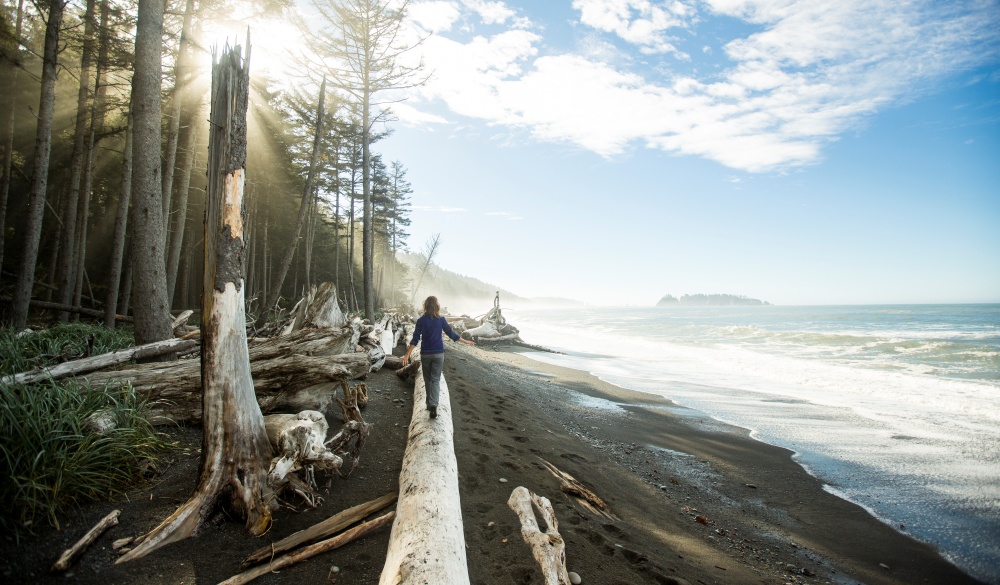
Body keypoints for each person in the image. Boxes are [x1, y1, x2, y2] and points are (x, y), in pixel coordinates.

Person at [402, 296, 476, 418]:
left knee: (427, 379)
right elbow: (451, 334)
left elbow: (415, 339)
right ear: (437, 306)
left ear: (425, 306)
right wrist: (466, 342)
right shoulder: (441, 319)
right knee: (435, 380)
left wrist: (407, 355)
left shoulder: (421, 320)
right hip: (438, 354)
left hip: (426, 354)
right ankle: (433, 405)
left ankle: (429, 404)